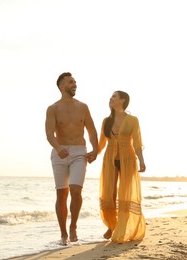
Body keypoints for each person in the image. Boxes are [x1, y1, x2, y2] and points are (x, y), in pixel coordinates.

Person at [45, 72, 98, 245]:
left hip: (78, 152)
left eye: (75, 81)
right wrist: (58, 148)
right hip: (60, 153)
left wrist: (95, 149)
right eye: (71, 82)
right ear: (62, 86)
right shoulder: (53, 108)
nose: (74, 84)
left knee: (76, 190)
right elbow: (49, 134)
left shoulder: (83, 107)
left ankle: (73, 226)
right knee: (62, 194)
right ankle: (63, 234)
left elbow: (91, 130)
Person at [97, 90, 146, 243]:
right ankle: (112, 225)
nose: (111, 99)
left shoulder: (132, 120)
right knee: (109, 194)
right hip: (109, 159)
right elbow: (101, 143)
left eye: (114, 97)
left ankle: (122, 228)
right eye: (111, 97)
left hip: (127, 158)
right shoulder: (106, 121)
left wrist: (142, 160)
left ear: (123, 100)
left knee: (124, 194)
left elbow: (137, 142)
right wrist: (91, 155)